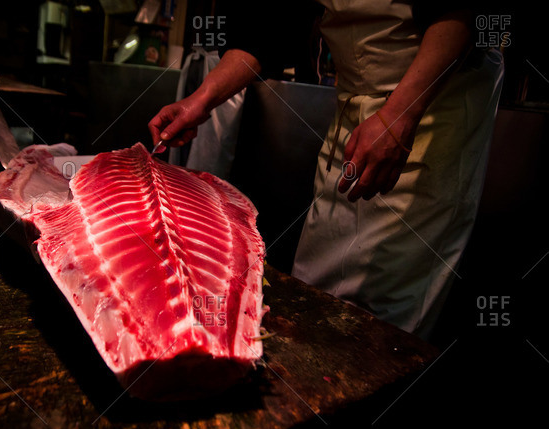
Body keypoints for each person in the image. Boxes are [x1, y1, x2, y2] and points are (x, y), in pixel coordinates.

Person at [148, 1, 504, 340]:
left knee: (383, 306)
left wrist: (399, 115)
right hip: (352, 108)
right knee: (313, 289)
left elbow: (462, 13)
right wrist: (201, 100)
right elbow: (268, 31)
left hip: (431, 108)